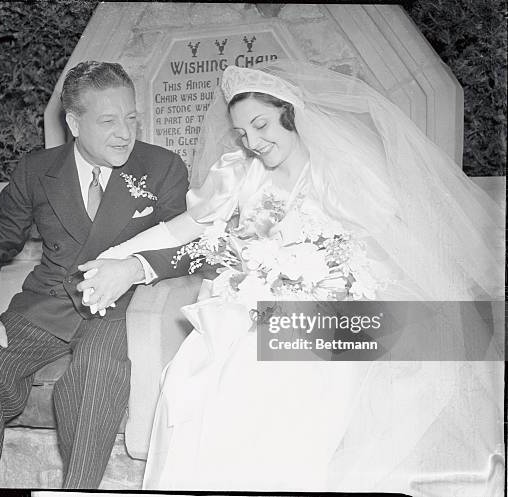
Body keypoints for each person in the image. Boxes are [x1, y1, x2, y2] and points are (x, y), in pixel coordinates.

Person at [86, 62, 505, 494]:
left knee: (281, 371)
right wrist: (112, 257)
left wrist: (325, 288)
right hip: (253, 311)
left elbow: (384, 254)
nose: (254, 141)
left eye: (261, 124)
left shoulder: (340, 173)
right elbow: (182, 228)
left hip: (336, 312)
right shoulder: (240, 174)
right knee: (204, 369)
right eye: (243, 132)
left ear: (291, 112)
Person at [0, 61, 189, 488]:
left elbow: (192, 251)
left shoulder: (163, 166)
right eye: (109, 121)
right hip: (48, 303)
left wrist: (134, 269)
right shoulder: (36, 170)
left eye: (131, 118)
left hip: (121, 307)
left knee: (94, 374)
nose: (125, 133)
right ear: (75, 123)